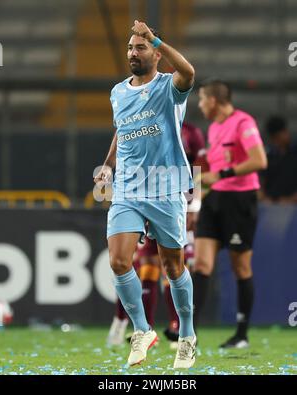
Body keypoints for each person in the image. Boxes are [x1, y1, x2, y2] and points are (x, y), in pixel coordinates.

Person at [94, 20, 196, 368]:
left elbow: (189, 70)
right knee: (119, 261)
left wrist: (156, 37)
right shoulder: (117, 92)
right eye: (130, 48)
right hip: (128, 189)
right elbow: (121, 131)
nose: (132, 53)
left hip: (166, 188)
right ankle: (141, 330)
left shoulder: (170, 87)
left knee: (173, 266)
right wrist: (108, 166)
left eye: (140, 47)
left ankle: (187, 335)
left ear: (154, 52)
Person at [107, 122, 205, 349]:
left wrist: (194, 204)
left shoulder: (190, 131)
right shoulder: (139, 120)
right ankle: (142, 327)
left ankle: (178, 328)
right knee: (143, 263)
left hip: (173, 200)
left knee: (174, 264)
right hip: (139, 197)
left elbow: (199, 168)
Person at [192, 78, 267, 348]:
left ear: (213, 100)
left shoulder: (243, 123)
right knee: (200, 265)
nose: (200, 105)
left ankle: (241, 334)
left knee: (240, 267)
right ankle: (189, 332)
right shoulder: (213, 129)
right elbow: (209, 174)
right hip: (216, 201)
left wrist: (222, 174)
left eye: (201, 99)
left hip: (240, 201)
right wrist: (197, 201)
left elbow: (259, 160)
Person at [260, 115, 297, 203]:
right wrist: (265, 198)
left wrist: (291, 200)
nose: (286, 135)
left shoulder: (294, 153)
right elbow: (262, 181)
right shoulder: (269, 156)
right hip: (271, 205)